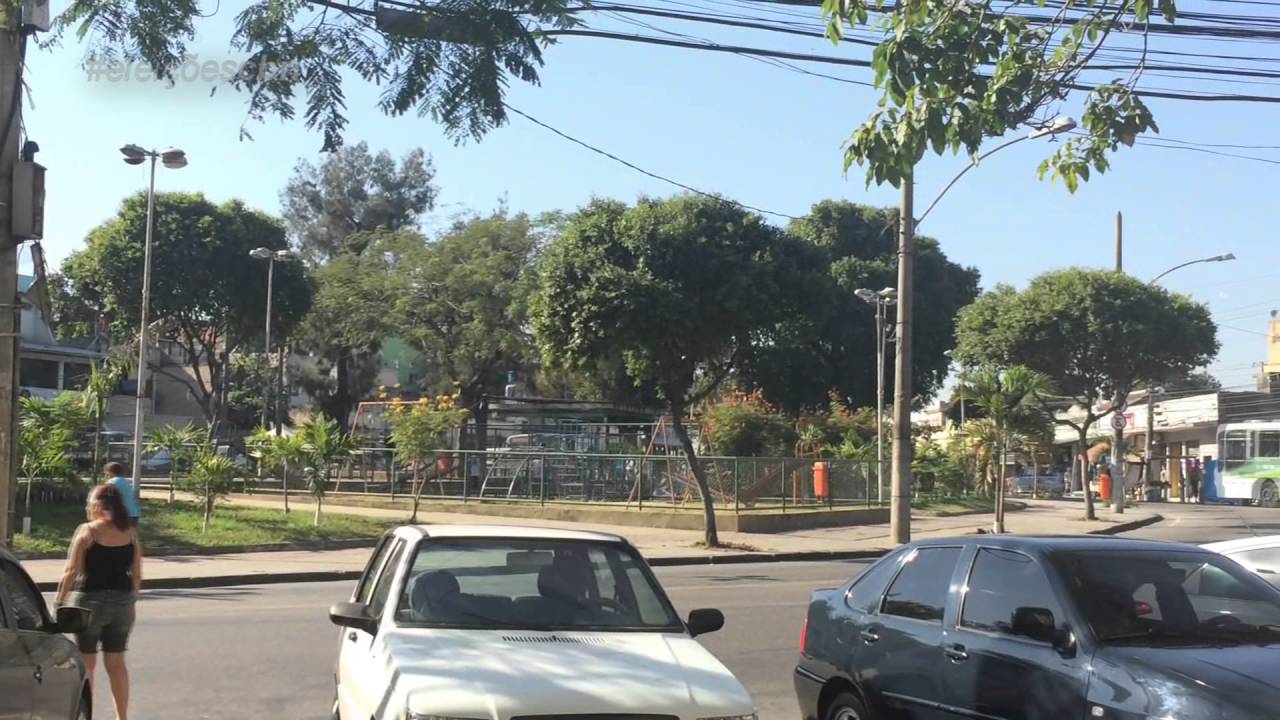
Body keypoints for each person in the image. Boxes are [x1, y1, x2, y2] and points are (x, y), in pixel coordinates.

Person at [54, 483, 143, 720]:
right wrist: (131, 602)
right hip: (123, 603)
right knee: (117, 663)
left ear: (96, 505)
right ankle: (121, 717)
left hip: (89, 602)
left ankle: (86, 715)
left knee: (87, 665)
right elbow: (136, 574)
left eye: (89, 504)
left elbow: (71, 571)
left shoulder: (87, 531)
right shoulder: (131, 533)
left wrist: (59, 602)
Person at [104, 461, 141, 527]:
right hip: (134, 514)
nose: (106, 475)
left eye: (106, 473)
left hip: (121, 516)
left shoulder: (111, 482)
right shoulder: (127, 482)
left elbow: (106, 500)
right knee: (130, 536)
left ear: (110, 472)